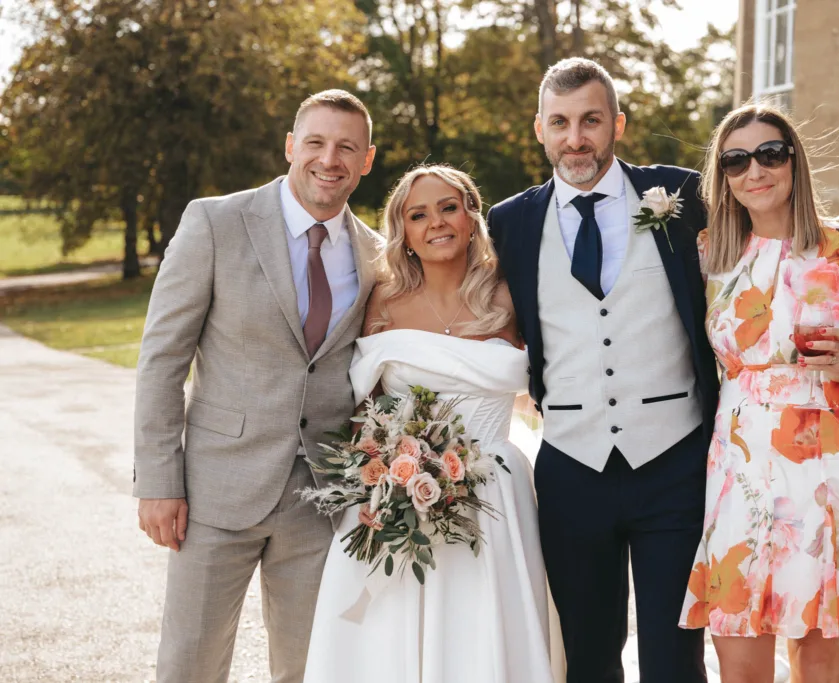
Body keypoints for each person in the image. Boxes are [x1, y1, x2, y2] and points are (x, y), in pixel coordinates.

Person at [133, 89, 382, 682]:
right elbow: (162, 359)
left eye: (347, 147)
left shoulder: (377, 253)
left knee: (311, 669)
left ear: (367, 160)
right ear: (291, 146)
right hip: (215, 491)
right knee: (190, 664)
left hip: (322, 500)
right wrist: (159, 480)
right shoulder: (215, 221)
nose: (330, 159)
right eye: (316, 143)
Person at [488, 57, 720, 683]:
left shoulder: (685, 196)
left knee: (675, 659)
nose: (576, 139)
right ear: (539, 129)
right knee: (588, 657)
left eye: (591, 120)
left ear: (617, 122)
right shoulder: (509, 222)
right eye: (560, 123)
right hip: (570, 465)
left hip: (674, 461)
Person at [678, 103, 839, 683]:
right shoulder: (711, 257)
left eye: (770, 153)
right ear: (723, 178)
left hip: (830, 462)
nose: (754, 170)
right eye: (736, 161)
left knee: (815, 655)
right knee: (737, 650)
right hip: (739, 462)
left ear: (794, 161)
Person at [303, 164, 563, 683]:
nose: (437, 222)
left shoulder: (511, 295)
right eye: (418, 214)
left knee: (486, 630)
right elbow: (365, 407)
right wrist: (391, 470)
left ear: (472, 217)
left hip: (497, 495)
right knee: (389, 637)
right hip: (398, 492)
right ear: (405, 231)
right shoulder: (384, 302)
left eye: (449, 207)